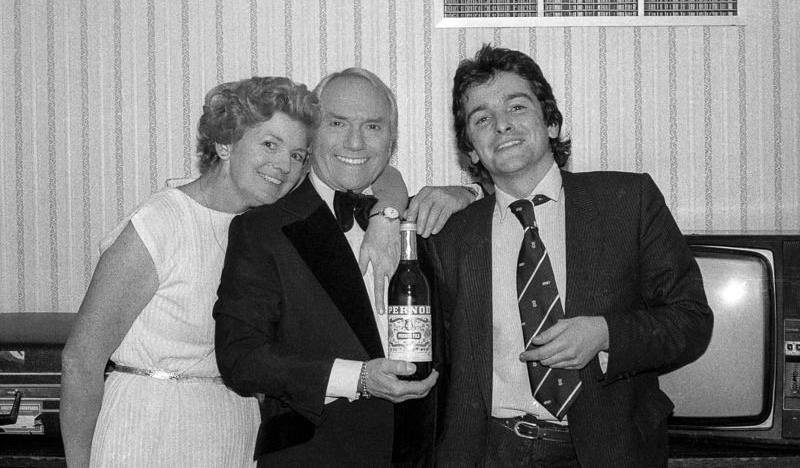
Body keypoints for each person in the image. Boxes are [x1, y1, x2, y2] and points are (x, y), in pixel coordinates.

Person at [60, 76, 410, 467]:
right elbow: (80, 360)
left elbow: (373, 171)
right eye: (269, 144)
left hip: (232, 425)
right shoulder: (160, 223)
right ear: (225, 143)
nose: (283, 165)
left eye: (297, 154)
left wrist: (389, 209)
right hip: (148, 424)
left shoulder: (264, 223)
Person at [426, 45, 714, 467]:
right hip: (489, 451)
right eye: (481, 118)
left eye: (517, 107)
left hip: (607, 449)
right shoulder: (449, 236)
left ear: (552, 122)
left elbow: (691, 320)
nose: (502, 125)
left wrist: (605, 334)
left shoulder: (627, 202)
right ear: (471, 149)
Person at [214, 67, 472, 467]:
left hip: (421, 456)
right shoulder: (263, 229)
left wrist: (467, 191)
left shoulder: (424, 219)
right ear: (313, 133)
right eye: (337, 123)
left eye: (373, 126)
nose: (356, 141)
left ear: (391, 141)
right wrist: (359, 378)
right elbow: (240, 358)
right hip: (315, 455)